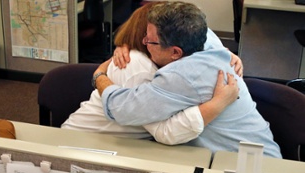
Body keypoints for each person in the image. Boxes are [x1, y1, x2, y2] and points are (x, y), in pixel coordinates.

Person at [94, 1, 281, 158]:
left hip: (249, 169)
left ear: (175, 52)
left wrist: (99, 76)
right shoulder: (202, 36)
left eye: (149, 41)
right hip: (259, 153)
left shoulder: (183, 75)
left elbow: (121, 108)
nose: (144, 43)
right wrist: (127, 42)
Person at [62, 2, 240, 144]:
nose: (145, 40)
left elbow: (204, 38)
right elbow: (165, 131)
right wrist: (218, 103)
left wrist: (224, 53)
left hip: (114, 142)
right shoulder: (138, 68)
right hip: (85, 141)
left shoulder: (162, 59)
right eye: (146, 38)